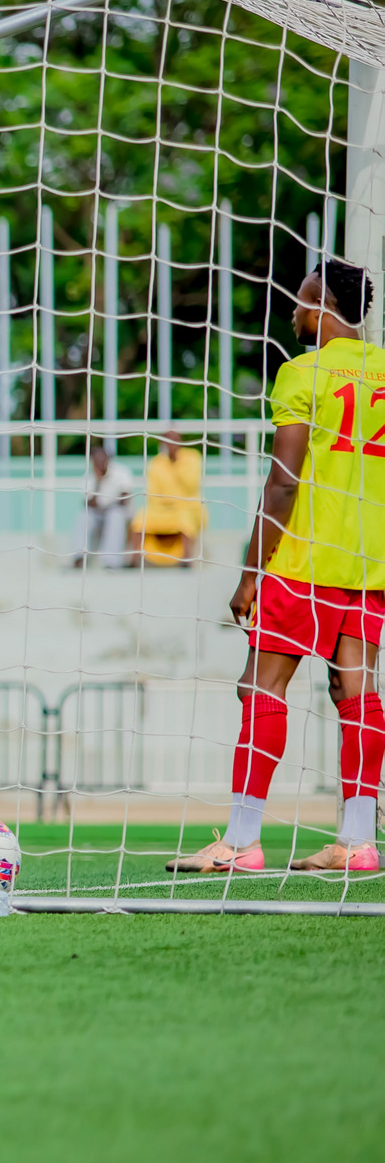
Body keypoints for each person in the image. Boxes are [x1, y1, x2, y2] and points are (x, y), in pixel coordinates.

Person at [171, 261, 383, 875]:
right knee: (358, 694)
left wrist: (249, 575)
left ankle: (242, 842)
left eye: (300, 298)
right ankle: (357, 842)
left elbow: (284, 482)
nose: (293, 309)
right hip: (369, 564)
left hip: (304, 559)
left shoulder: (302, 373)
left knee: (260, 688)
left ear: (322, 303)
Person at [128, 430, 205, 566]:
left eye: (175, 439)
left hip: (186, 507)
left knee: (184, 521)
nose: (172, 443)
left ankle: (186, 560)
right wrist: (166, 503)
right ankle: (134, 560)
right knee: (140, 519)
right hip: (161, 508)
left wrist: (176, 462)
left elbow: (191, 485)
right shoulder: (156, 462)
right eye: (168, 440)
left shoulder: (192, 457)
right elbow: (153, 492)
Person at [73, 444, 134, 568]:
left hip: (119, 513)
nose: (100, 463)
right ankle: (80, 557)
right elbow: (88, 503)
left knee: (115, 515)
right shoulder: (90, 477)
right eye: (96, 460)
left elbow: (124, 500)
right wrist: (99, 481)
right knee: (84, 515)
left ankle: (111, 562)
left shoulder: (121, 472)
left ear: (108, 459)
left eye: (103, 459)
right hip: (99, 514)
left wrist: (106, 505)